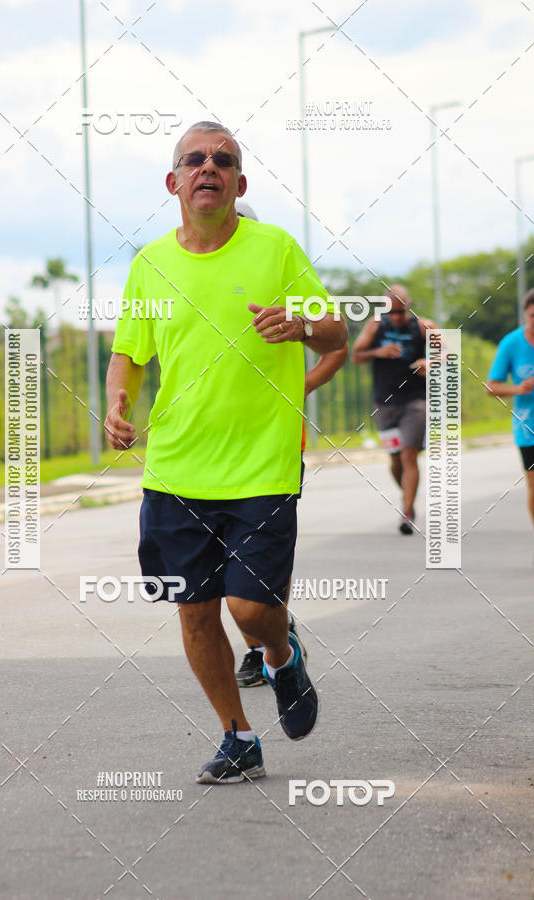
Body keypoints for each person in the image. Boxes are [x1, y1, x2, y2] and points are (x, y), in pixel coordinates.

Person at [104, 121, 348, 784]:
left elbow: (336, 335)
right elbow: (128, 353)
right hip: (178, 468)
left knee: (250, 608)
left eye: (224, 160)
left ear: (239, 184)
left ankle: (279, 652)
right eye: (195, 159)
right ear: (174, 181)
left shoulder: (275, 248)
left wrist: (300, 325)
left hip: (261, 463)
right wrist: (119, 404)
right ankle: (237, 736)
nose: (208, 167)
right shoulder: (149, 264)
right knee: (194, 611)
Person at [233, 200, 349, 688]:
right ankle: (266, 636)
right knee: (220, 562)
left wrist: (299, 388)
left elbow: (337, 343)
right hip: (206, 446)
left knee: (256, 557)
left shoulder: (284, 283)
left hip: (274, 444)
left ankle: (264, 644)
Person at [351, 285, 436, 534]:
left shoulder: (423, 326)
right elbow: (356, 356)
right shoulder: (375, 326)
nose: (397, 316)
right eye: (392, 312)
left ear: (409, 306)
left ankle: (407, 511)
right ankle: (408, 494)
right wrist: (379, 351)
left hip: (415, 401)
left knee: (409, 456)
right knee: (396, 459)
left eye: (402, 311)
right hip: (385, 402)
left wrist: (429, 362)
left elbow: (450, 353)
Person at [486, 288, 534, 531]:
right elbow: (490, 387)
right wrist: (519, 388)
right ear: (525, 314)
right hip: (528, 427)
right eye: (533, 315)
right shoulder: (512, 343)